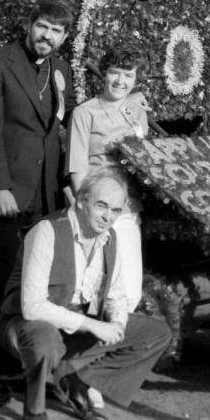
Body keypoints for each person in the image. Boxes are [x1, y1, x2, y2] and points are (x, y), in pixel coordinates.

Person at [0, 0, 78, 407]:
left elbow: (59, 132)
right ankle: (0, 374)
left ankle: (36, 368)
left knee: (41, 287)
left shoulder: (61, 70)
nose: (47, 36)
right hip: (7, 196)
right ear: (30, 25)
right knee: (5, 287)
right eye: (43, 27)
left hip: (46, 198)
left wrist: (66, 183)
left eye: (56, 31)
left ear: (64, 38)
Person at [0, 169, 172, 420]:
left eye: (115, 210)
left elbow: (116, 293)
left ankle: (76, 378)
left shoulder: (109, 237)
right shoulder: (47, 231)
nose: (108, 217)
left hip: (75, 324)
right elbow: (32, 307)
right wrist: (95, 325)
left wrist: (117, 325)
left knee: (156, 334)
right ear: (81, 200)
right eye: (101, 206)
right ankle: (35, 409)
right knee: (46, 340)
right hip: (25, 324)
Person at [66, 46, 149, 314]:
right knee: (90, 284)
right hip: (94, 207)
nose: (120, 81)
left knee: (129, 287)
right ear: (104, 74)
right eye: (115, 73)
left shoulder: (137, 113)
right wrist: (86, 213)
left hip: (126, 208)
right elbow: (76, 168)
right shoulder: (84, 113)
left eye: (128, 75)